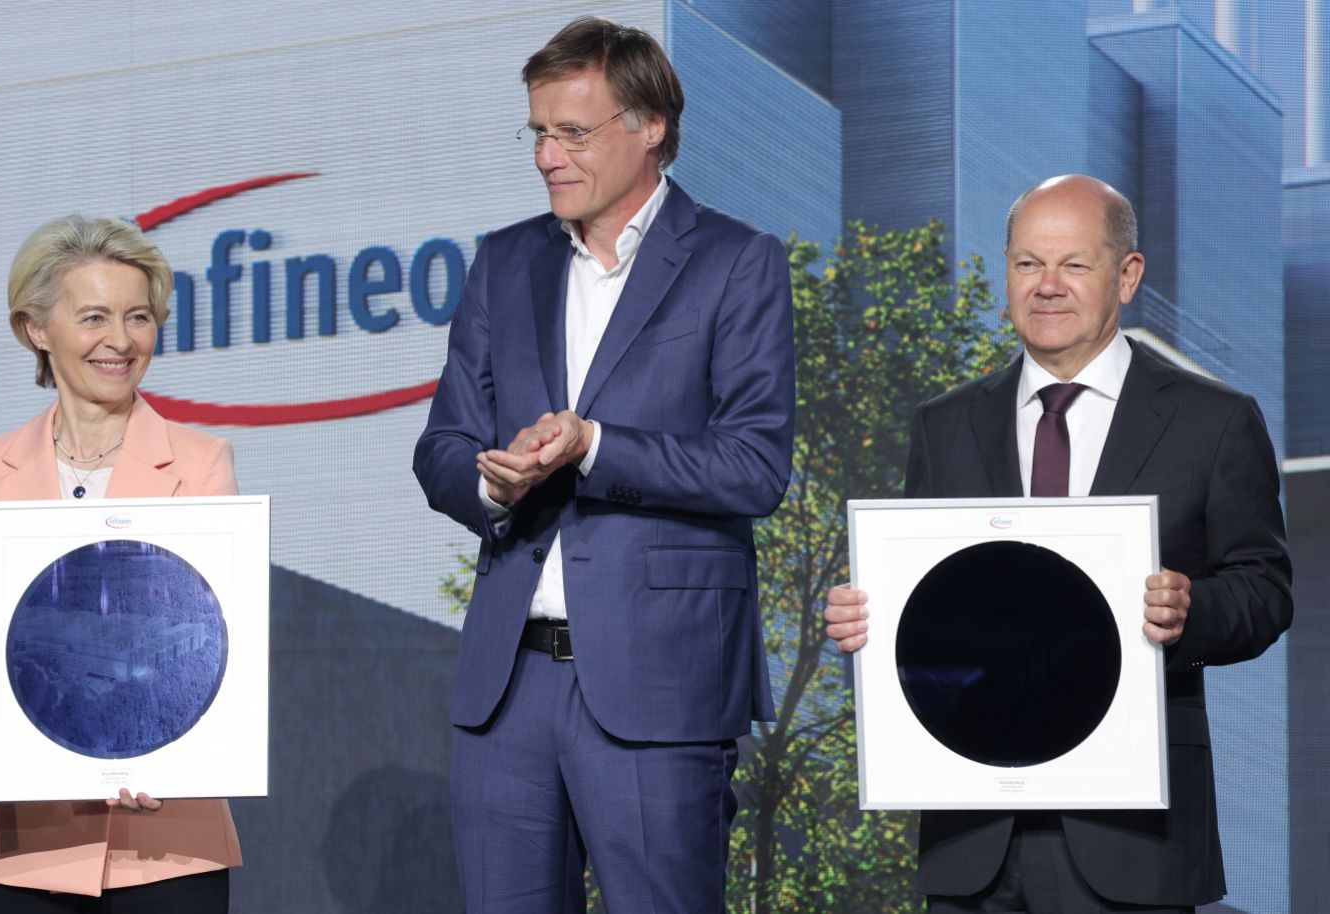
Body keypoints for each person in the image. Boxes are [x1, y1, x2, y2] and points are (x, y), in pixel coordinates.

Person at [825, 174, 1292, 913]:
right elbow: (931, 603)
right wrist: (869, 618)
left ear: (1127, 275)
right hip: (971, 830)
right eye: (1026, 264)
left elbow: (1264, 589)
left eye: (1074, 264)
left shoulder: (1216, 421)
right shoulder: (944, 426)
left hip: (1131, 835)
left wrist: (1189, 609)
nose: (1047, 286)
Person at [412, 16, 796, 913]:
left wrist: (595, 448)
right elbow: (441, 446)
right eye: (538, 131)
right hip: (506, 691)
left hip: (661, 686)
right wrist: (487, 480)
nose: (549, 155)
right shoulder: (505, 261)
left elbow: (753, 465)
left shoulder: (737, 262)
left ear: (649, 126)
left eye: (573, 132)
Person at [0, 215, 241, 913]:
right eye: (93, 316)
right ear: (36, 328)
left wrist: (164, 753)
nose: (120, 341)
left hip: (165, 840)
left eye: (138, 317)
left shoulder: (203, 462)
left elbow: (212, 646)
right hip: (20, 846)